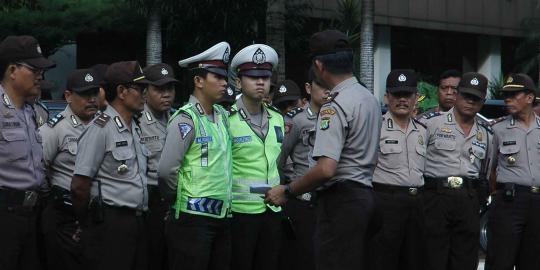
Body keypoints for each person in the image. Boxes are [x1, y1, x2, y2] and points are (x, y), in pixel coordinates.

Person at [265, 29, 381, 270]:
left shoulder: (334, 106)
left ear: (319, 65)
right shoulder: (367, 97)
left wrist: (288, 190)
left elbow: (326, 169)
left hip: (341, 202)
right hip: (366, 198)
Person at [158, 42, 232, 270]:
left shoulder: (222, 114)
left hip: (223, 218)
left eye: (225, 77)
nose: (224, 83)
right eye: (217, 77)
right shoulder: (185, 119)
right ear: (198, 81)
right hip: (192, 219)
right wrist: (177, 200)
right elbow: (166, 171)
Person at [71, 61, 150, 270]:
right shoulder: (100, 128)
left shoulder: (135, 127)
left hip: (138, 221)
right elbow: (79, 185)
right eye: (140, 89)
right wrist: (86, 222)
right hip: (110, 223)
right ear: (122, 92)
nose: (145, 94)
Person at [420, 72, 492, 270]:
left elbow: (486, 170)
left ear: (482, 101)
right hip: (435, 198)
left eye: (475, 98)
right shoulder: (431, 123)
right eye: (466, 95)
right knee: (433, 258)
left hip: (468, 199)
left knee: (465, 260)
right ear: (458, 95)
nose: (470, 101)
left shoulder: (487, 133)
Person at [0, 35, 55, 270]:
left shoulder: (33, 111)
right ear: (13, 70)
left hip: (32, 214)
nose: (40, 76)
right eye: (34, 69)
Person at [228, 43, 284, 270]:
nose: (261, 82)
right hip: (240, 213)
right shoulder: (226, 117)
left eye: (265, 77)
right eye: (253, 77)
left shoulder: (277, 118)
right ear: (239, 82)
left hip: (273, 210)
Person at [39, 68, 100, 270]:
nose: (91, 99)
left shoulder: (104, 124)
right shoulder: (56, 129)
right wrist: (56, 196)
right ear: (68, 96)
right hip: (64, 215)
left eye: (94, 93)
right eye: (84, 94)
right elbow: (39, 171)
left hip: (97, 217)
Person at [371, 69, 427, 270]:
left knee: (415, 261)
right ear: (387, 97)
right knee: (383, 261)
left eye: (407, 95)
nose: (402, 100)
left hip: (417, 203)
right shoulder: (375, 128)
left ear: (415, 98)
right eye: (397, 95)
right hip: (386, 201)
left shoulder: (423, 130)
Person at [486, 73, 540, 270]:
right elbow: (489, 169)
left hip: (537, 202)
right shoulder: (497, 129)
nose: (507, 99)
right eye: (506, 95)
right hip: (509, 200)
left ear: (529, 97)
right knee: (501, 259)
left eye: (514, 94)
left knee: (533, 260)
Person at [278, 66, 329, 270]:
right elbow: (279, 160)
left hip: (331, 202)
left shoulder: (339, 116)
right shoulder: (296, 120)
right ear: (308, 88)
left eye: (330, 85)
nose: (327, 90)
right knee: (303, 260)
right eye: (321, 85)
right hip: (303, 202)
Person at [139, 62, 177, 270]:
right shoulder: (136, 121)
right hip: (149, 201)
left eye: (170, 89)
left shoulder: (179, 118)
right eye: (159, 89)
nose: (166, 95)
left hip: (175, 199)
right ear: (145, 92)